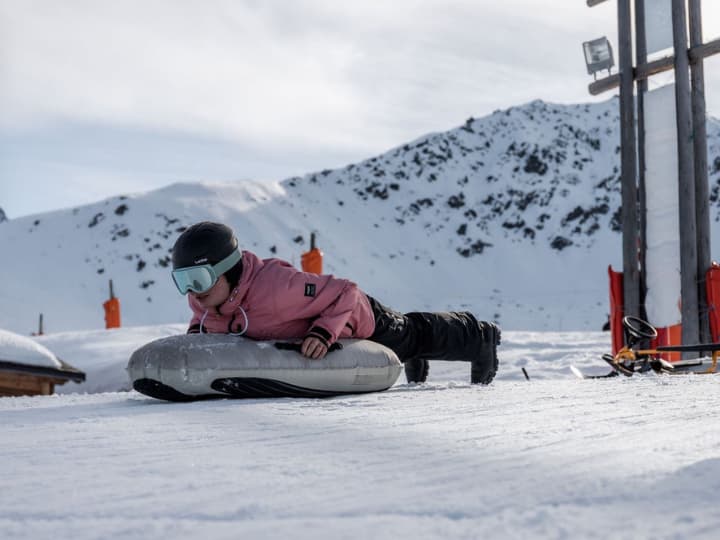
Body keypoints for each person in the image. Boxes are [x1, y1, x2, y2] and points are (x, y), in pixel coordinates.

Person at [170, 221, 501, 384]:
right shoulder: (207, 300)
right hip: (331, 321)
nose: (192, 293)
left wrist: (322, 333)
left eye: (197, 280)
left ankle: (478, 337)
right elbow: (204, 327)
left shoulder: (278, 287)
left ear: (227, 269)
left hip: (355, 316)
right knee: (410, 338)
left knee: (413, 334)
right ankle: (415, 356)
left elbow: (346, 290)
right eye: (183, 281)